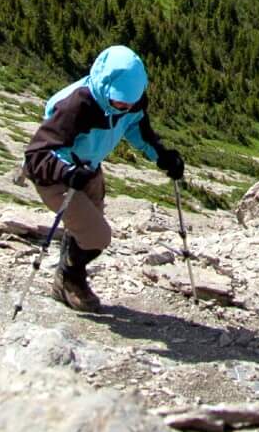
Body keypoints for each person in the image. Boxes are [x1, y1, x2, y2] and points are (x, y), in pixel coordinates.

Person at [21, 44, 185, 311]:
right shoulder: (76, 105)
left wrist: (163, 156)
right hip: (57, 177)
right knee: (98, 237)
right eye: (120, 100)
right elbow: (37, 154)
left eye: (130, 101)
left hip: (88, 171)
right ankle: (69, 278)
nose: (125, 106)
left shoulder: (130, 101)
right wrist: (67, 172)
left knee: (86, 233)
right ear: (105, 84)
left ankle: (68, 279)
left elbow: (137, 129)